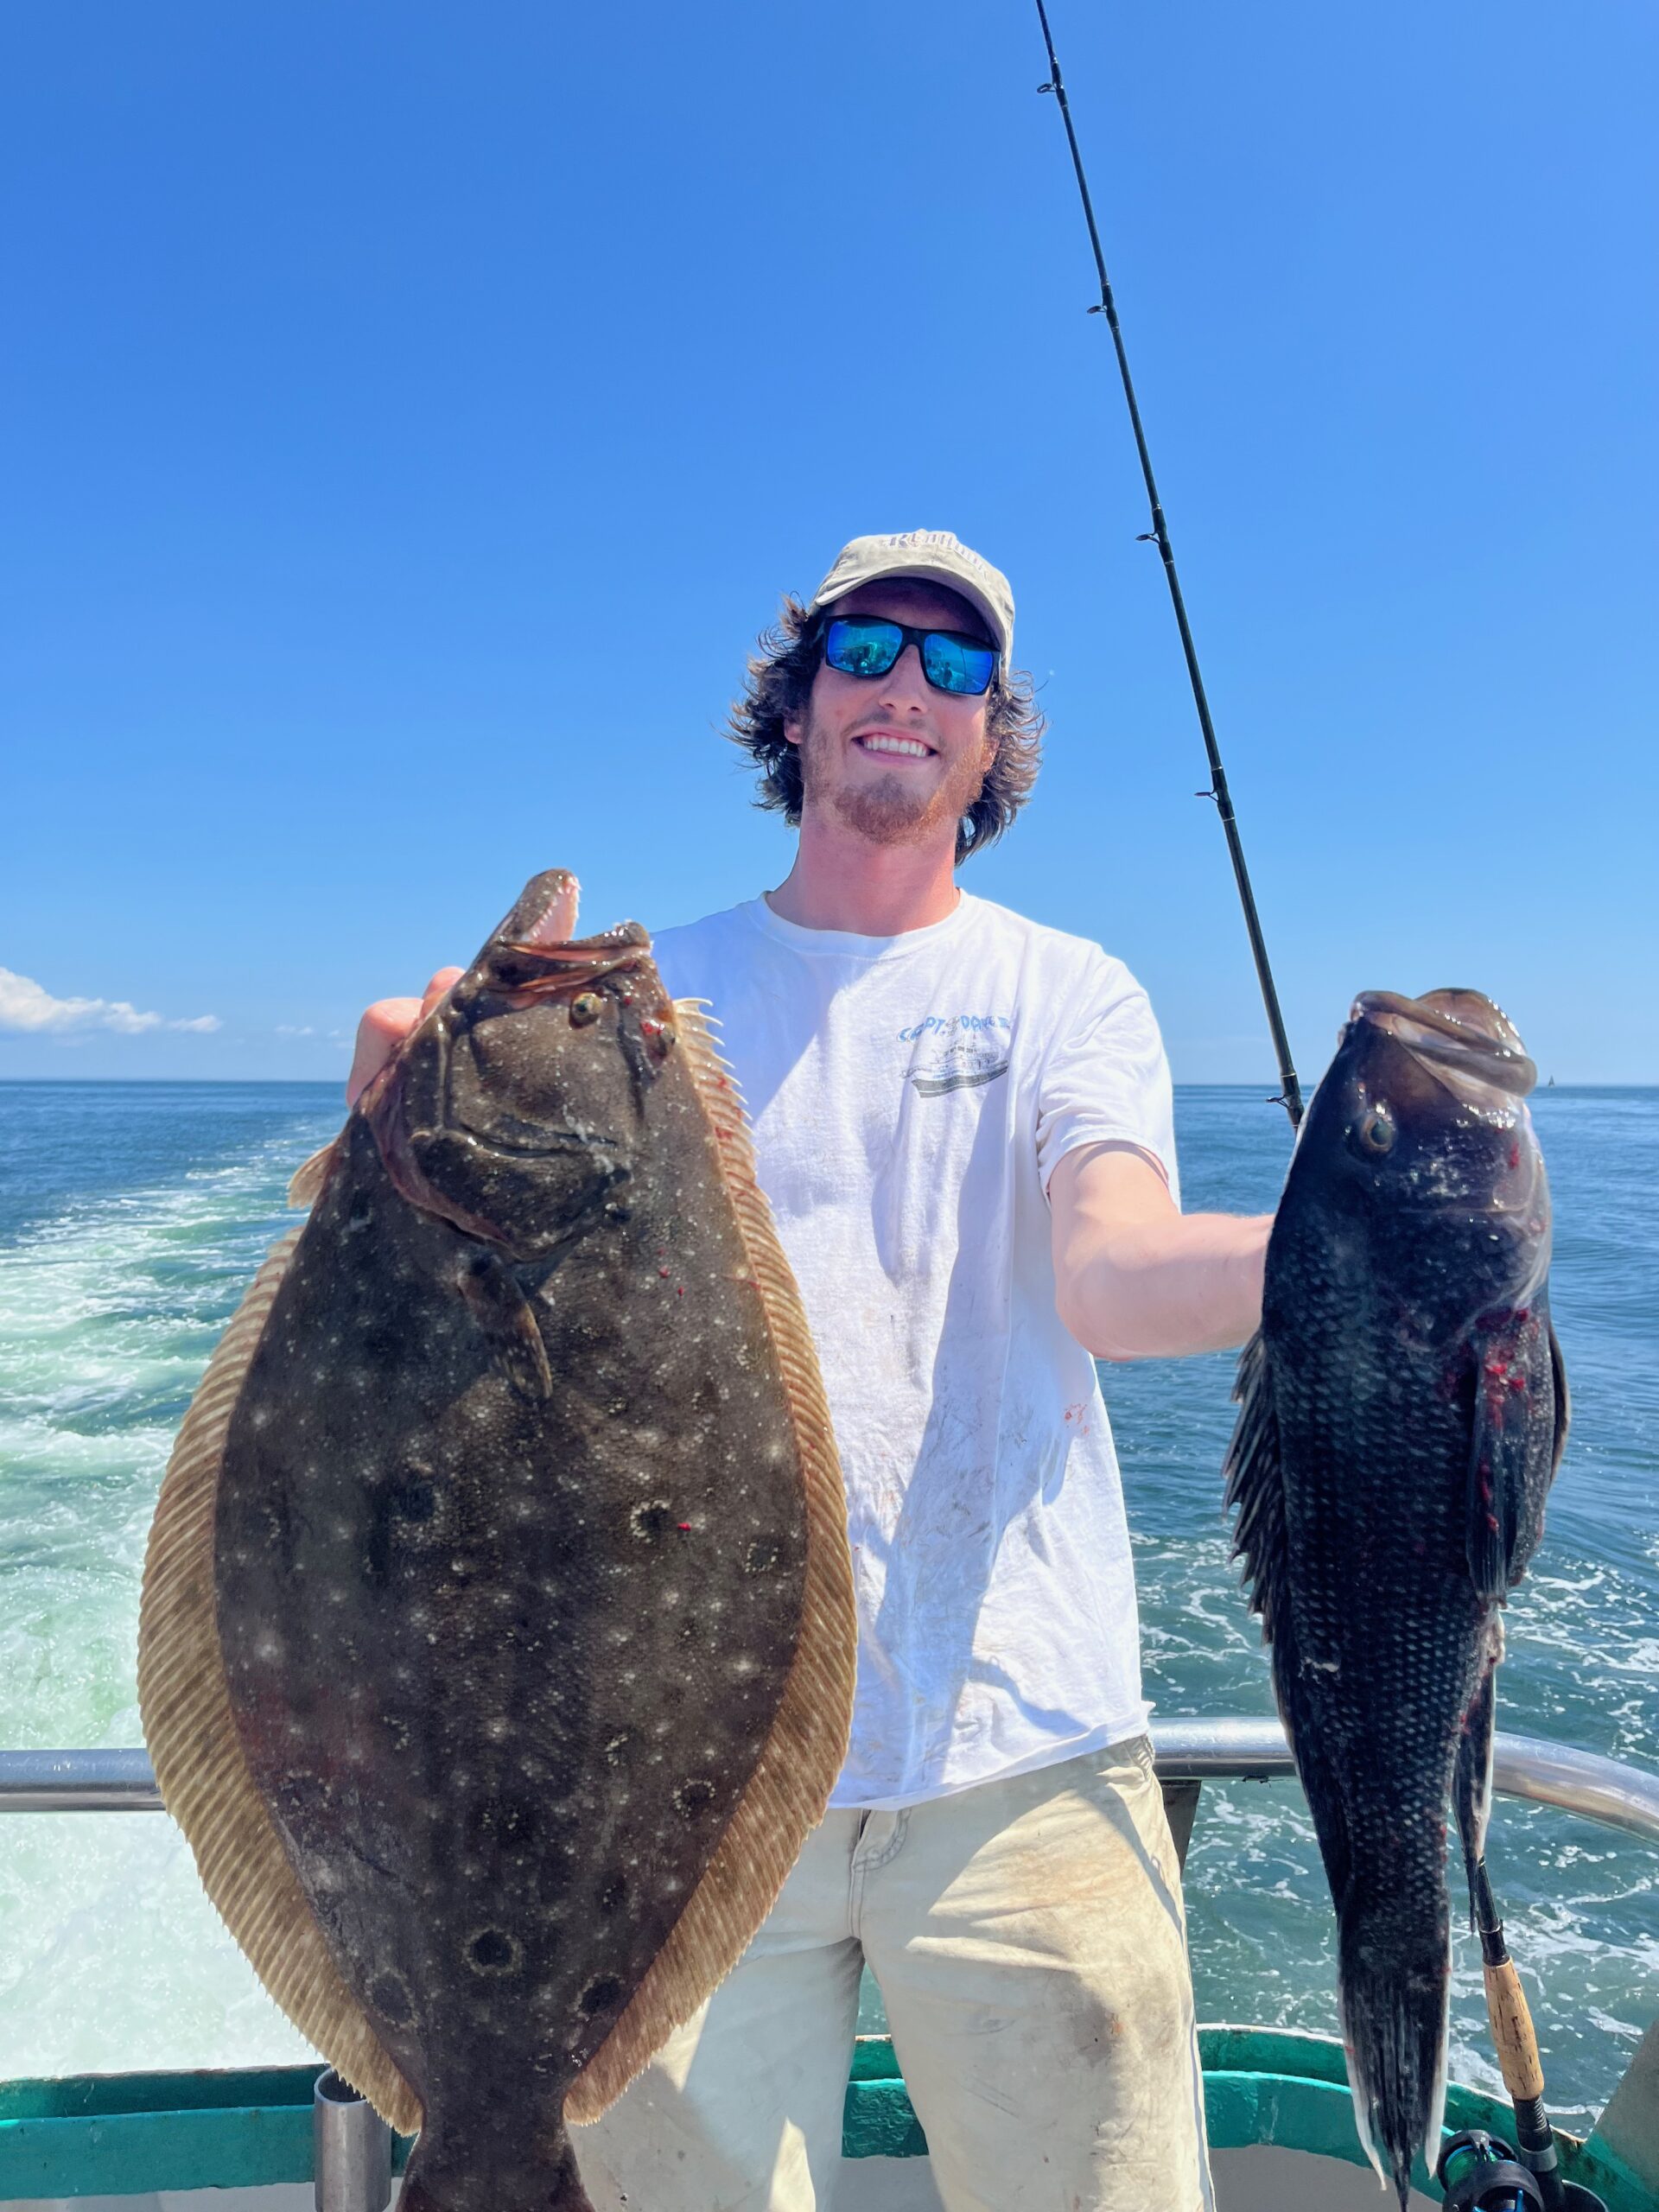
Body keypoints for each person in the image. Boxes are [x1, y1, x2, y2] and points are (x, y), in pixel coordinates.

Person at [348, 531, 1271, 2212]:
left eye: (959, 664)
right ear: (797, 703)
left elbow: (1115, 1272)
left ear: (994, 740)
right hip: (653, 1772)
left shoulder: (1070, 991)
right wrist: (386, 1135)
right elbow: (445, 1354)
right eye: (866, 647)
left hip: (1021, 1751)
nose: (909, 685)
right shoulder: (642, 1000)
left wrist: (1331, 1263)